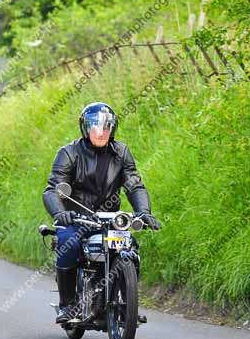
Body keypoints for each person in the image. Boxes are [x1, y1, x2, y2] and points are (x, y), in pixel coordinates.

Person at [42, 102, 161, 323]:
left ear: (112, 129)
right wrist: (61, 213)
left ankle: (127, 304)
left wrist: (144, 212)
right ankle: (67, 304)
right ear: (85, 128)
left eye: (105, 127)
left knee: (130, 247)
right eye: (95, 127)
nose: (100, 132)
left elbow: (134, 185)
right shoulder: (69, 153)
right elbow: (53, 189)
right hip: (76, 219)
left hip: (111, 220)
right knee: (69, 244)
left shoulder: (121, 153)